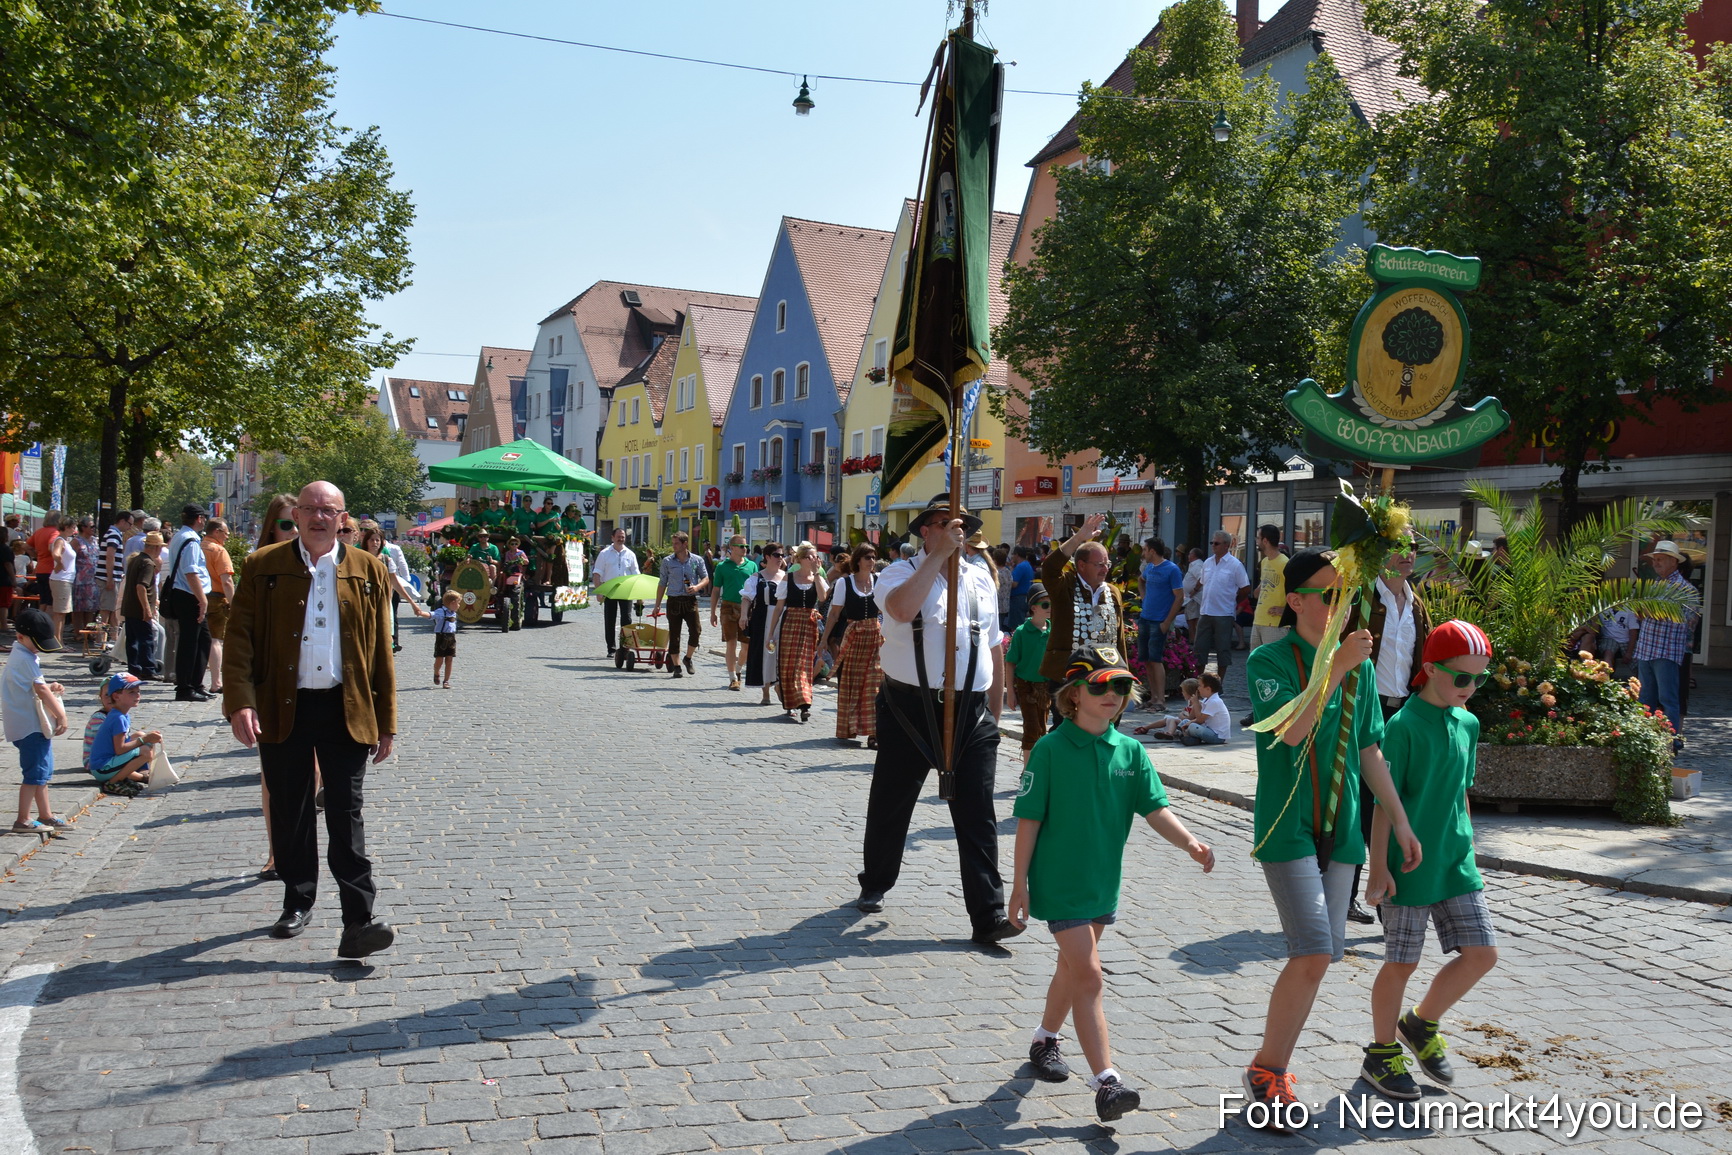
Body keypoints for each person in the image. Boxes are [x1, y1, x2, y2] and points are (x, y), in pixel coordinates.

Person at [1238, 548, 1422, 1132]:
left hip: (1341, 831)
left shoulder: (1360, 666)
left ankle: (1271, 1068)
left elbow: (1370, 752)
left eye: (1344, 594)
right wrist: (1337, 666)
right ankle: (1268, 1072)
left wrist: (1398, 822)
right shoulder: (1269, 660)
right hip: (1288, 826)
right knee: (1314, 950)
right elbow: (1291, 733)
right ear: (1295, 601)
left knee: (1318, 960)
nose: (1338, 604)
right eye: (1326, 594)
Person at [1008, 645, 1215, 1122]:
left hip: (1103, 883)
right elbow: (1028, 820)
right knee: (1091, 974)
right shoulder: (1050, 748)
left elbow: (1155, 808)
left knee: (1073, 970)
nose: (1114, 694)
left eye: (1122, 685)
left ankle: (1044, 1040)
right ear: (1074, 694)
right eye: (1102, 685)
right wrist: (1018, 884)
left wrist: (1190, 842)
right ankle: (1106, 1082)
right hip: (1059, 883)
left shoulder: (1131, 750)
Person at [222, 481, 398, 959]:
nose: (319, 517)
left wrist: (387, 720)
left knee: (346, 812)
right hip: (283, 706)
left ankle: (359, 920)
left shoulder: (367, 569)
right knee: (291, 809)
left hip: (347, 707)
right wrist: (240, 701)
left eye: (329, 510)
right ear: (296, 515)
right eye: (310, 509)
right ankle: (296, 900)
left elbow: (381, 649)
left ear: (344, 519)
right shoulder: (264, 566)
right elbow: (238, 640)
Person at [854, 494, 1019, 946]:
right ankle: (876, 879)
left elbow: (992, 643)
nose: (956, 530)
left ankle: (988, 917)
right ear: (925, 530)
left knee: (978, 812)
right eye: (945, 523)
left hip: (970, 710)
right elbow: (903, 611)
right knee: (892, 799)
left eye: (961, 524)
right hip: (911, 704)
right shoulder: (898, 573)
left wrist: (997, 702)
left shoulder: (981, 577)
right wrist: (940, 557)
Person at [1361, 620, 1500, 1102]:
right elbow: (1383, 803)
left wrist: (1468, 845)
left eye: (1480, 678)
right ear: (1429, 670)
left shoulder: (1469, 723)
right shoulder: (1401, 727)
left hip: (1455, 861)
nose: (1471, 688)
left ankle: (1420, 1023)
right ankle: (1380, 1051)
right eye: (1462, 677)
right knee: (1402, 961)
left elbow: (1460, 792)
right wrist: (1378, 867)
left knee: (1482, 953)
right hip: (1408, 865)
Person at [1352, 542, 1432, 922]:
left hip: (1403, 713)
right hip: (1368, 710)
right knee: (1362, 806)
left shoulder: (1416, 602)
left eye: (1413, 547)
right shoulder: (1365, 597)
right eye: (1398, 546)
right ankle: (1350, 891)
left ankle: (1388, 892)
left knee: (1392, 802)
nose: (1408, 554)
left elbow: (1422, 662)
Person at [1038, 513, 1131, 692]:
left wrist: (1123, 674)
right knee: (1068, 719)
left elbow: (1119, 638)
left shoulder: (1112, 592)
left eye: (1107, 564)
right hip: (1068, 674)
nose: (1105, 569)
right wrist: (1079, 537)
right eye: (1099, 564)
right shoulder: (1065, 586)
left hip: (1106, 672)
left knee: (1108, 720)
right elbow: (1050, 568)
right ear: (1081, 565)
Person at [1629, 540, 1699, 755]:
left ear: (1673, 562)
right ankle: (1645, 737)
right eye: (1655, 560)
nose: (1656, 563)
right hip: (1647, 648)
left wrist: (1653, 612)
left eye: (1660, 559)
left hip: (1666, 650)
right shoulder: (1655, 585)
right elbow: (1640, 614)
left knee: (1668, 698)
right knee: (1645, 698)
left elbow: (1688, 620)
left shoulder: (1686, 590)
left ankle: (1672, 740)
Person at [6, 607, 69, 834]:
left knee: (42, 773)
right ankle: (23, 819)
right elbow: (40, 689)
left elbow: (35, 686)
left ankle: (46, 814)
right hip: (30, 726)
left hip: (28, 724)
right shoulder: (24, 658)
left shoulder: (23, 655)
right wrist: (61, 715)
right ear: (21, 637)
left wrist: (51, 687)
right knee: (34, 774)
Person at [826, 542, 882, 747]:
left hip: (875, 637)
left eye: (874, 557)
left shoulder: (879, 580)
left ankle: (874, 733)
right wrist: (824, 641)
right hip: (854, 637)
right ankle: (849, 726)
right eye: (868, 557)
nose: (872, 561)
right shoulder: (845, 583)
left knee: (874, 685)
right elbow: (834, 614)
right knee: (852, 684)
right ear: (858, 560)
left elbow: (888, 610)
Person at [765, 542, 826, 720]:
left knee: (804, 665)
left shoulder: (818, 577)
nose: (814, 559)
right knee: (789, 666)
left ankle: (805, 704)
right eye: (809, 557)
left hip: (808, 625)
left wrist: (816, 574)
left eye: (815, 556)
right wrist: (771, 633)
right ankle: (791, 702)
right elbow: (778, 607)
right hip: (790, 622)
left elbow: (822, 598)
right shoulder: (788, 578)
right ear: (799, 559)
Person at [163, 504, 212, 703]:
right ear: (199, 518)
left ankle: (194, 683)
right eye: (204, 518)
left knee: (202, 640)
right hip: (189, 595)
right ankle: (185, 687)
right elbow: (191, 572)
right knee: (190, 642)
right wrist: (202, 600)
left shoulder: (179, 535)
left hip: (183, 593)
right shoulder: (190, 540)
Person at [86, 672, 163, 798]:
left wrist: (146, 739)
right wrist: (145, 739)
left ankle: (131, 776)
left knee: (141, 740)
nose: (137, 695)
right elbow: (120, 749)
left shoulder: (121, 714)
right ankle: (112, 783)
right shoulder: (118, 718)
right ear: (116, 696)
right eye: (131, 692)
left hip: (106, 764)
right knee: (145, 751)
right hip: (101, 768)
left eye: (138, 691)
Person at [1192, 531, 1250, 689]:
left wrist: (1234, 601)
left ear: (1227, 545)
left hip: (1224, 613)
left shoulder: (1235, 564)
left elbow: (1245, 588)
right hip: (1206, 611)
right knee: (1199, 649)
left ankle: (1219, 684)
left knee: (1222, 650)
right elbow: (1203, 582)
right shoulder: (1208, 563)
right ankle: (1200, 684)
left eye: (1216, 543)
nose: (1213, 546)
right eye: (1212, 543)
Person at [1005, 581, 1052, 762]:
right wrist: (1011, 692)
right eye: (1045, 604)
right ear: (1033, 608)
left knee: (1042, 728)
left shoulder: (1053, 630)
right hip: (1026, 685)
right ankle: (1027, 770)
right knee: (1031, 728)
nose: (1050, 608)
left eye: (1051, 604)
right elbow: (1010, 663)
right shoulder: (1022, 632)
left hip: (1046, 685)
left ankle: (1038, 766)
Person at [652, 531, 709, 678]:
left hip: (690, 600)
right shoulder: (667, 561)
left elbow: (706, 578)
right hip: (674, 601)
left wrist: (697, 587)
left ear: (685, 544)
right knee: (675, 634)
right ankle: (676, 666)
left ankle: (688, 658)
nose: (674, 546)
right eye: (673, 543)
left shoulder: (697, 560)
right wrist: (657, 604)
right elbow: (662, 583)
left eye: (676, 543)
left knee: (696, 631)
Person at [1136, 539, 1183, 707]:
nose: (1143, 553)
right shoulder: (1149, 568)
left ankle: (1161, 699)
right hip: (1145, 618)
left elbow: (1179, 596)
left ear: (1153, 551)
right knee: (1146, 659)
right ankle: (1153, 697)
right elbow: (1141, 580)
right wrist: (1144, 598)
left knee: (1156, 659)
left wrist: (1167, 622)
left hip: (1159, 621)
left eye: (1145, 550)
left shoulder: (1171, 569)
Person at [709, 535, 758, 691]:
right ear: (733, 548)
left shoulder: (752, 566)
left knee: (746, 646)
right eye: (742, 546)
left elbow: (757, 588)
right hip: (728, 607)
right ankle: (732, 678)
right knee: (731, 643)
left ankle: (738, 668)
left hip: (748, 608)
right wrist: (712, 612)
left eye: (746, 546)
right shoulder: (722, 566)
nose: (745, 549)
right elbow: (716, 590)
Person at [738, 544, 784, 706]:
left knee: (780, 654)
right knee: (766, 654)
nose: (780, 558)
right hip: (763, 618)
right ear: (767, 556)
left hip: (783, 619)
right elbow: (746, 598)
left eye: (781, 555)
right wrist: (744, 615)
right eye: (776, 555)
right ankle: (766, 691)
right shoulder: (757, 577)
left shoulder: (786, 577)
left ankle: (779, 686)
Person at [1136, 671, 1230, 744]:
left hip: (1217, 736)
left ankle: (1186, 736)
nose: (1198, 689)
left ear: (1208, 689)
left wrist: (1196, 704)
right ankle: (1187, 737)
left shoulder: (1214, 701)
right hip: (1208, 730)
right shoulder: (1208, 700)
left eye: (1200, 686)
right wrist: (1188, 722)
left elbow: (1200, 719)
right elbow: (1198, 719)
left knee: (1193, 726)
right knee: (1186, 722)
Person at [121, 532, 164, 681]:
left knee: (132, 640)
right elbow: (141, 587)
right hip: (139, 609)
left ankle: (134, 668)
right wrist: (147, 609)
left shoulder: (135, 559)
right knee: (146, 639)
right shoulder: (147, 563)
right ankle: (147, 669)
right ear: (157, 548)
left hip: (130, 606)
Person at [201, 519, 235, 695]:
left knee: (197, 639)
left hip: (197, 596)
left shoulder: (197, 546)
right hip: (216, 598)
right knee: (216, 640)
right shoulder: (218, 550)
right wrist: (234, 603)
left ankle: (191, 679)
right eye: (225, 532)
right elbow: (227, 581)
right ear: (216, 531)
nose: (228, 536)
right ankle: (216, 681)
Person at [593, 527, 640, 657]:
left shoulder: (630, 554)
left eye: (623, 537)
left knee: (627, 619)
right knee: (610, 619)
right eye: (618, 536)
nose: (621, 539)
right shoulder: (604, 554)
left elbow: (636, 574)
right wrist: (599, 591)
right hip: (610, 589)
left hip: (626, 590)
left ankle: (625, 648)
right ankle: (611, 649)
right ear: (612, 538)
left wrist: (639, 596)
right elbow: (597, 573)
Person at [99, 509, 134, 634]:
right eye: (129, 524)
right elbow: (110, 555)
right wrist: (110, 578)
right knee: (106, 610)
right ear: (122, 521)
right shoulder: (114, 534)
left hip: (112, 577)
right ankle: (101, 640)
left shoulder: (114, 533)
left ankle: (113, 638)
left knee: (113, 609)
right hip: (109, 577)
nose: (130, 527)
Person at [46, 517, 76, 645]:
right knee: (60, 613)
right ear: (67, 527)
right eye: (73, 527)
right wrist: (60, 563)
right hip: (61, 580)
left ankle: (58, 641)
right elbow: (55, 553)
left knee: (61, 613)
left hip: (65, 580)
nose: (74, 530)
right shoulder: (60, 540)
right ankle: (58, 642)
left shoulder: (65, 541)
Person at [70, 516, 100, 636]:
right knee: (79, 608)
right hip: (80, 579)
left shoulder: (94, 540)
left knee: (91, 608)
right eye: (91, 526)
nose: (93, 529)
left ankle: (89, 633)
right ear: (83, 527)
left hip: (93, 579)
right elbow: (70, 559)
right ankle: (78, 633)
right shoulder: (76, 541)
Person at [496, 535, 530, 632]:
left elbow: (526, 561)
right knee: (501, 574)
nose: (514, 545)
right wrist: (508, 564)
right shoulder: (507, 553)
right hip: (509, 569)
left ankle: (516, 616)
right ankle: (500, 589)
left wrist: (521, 561)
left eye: (515, 543)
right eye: (512, 544)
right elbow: (506, 561)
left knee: (514, 582)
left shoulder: (521, 552)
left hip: (517, 571)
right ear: (509, 545)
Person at [431, 589, 460, 688]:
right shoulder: (441, 611)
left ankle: (446, 681)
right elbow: (432, 615)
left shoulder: (453, 612)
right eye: (458, 603)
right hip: (441, 637)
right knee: (439, 659)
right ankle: (436, 672)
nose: (459, 605)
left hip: (451, 638)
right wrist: (421, 613)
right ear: (452, 603)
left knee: (449, 659)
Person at [1006, 545, 1036, 633]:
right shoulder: (1027, 565)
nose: (1012, 556)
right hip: (1025, 597)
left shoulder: (1020, 567)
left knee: (1016, 626)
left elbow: (1014, 584)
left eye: (1013, 554)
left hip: (1018, 598)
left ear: (1017, 555)